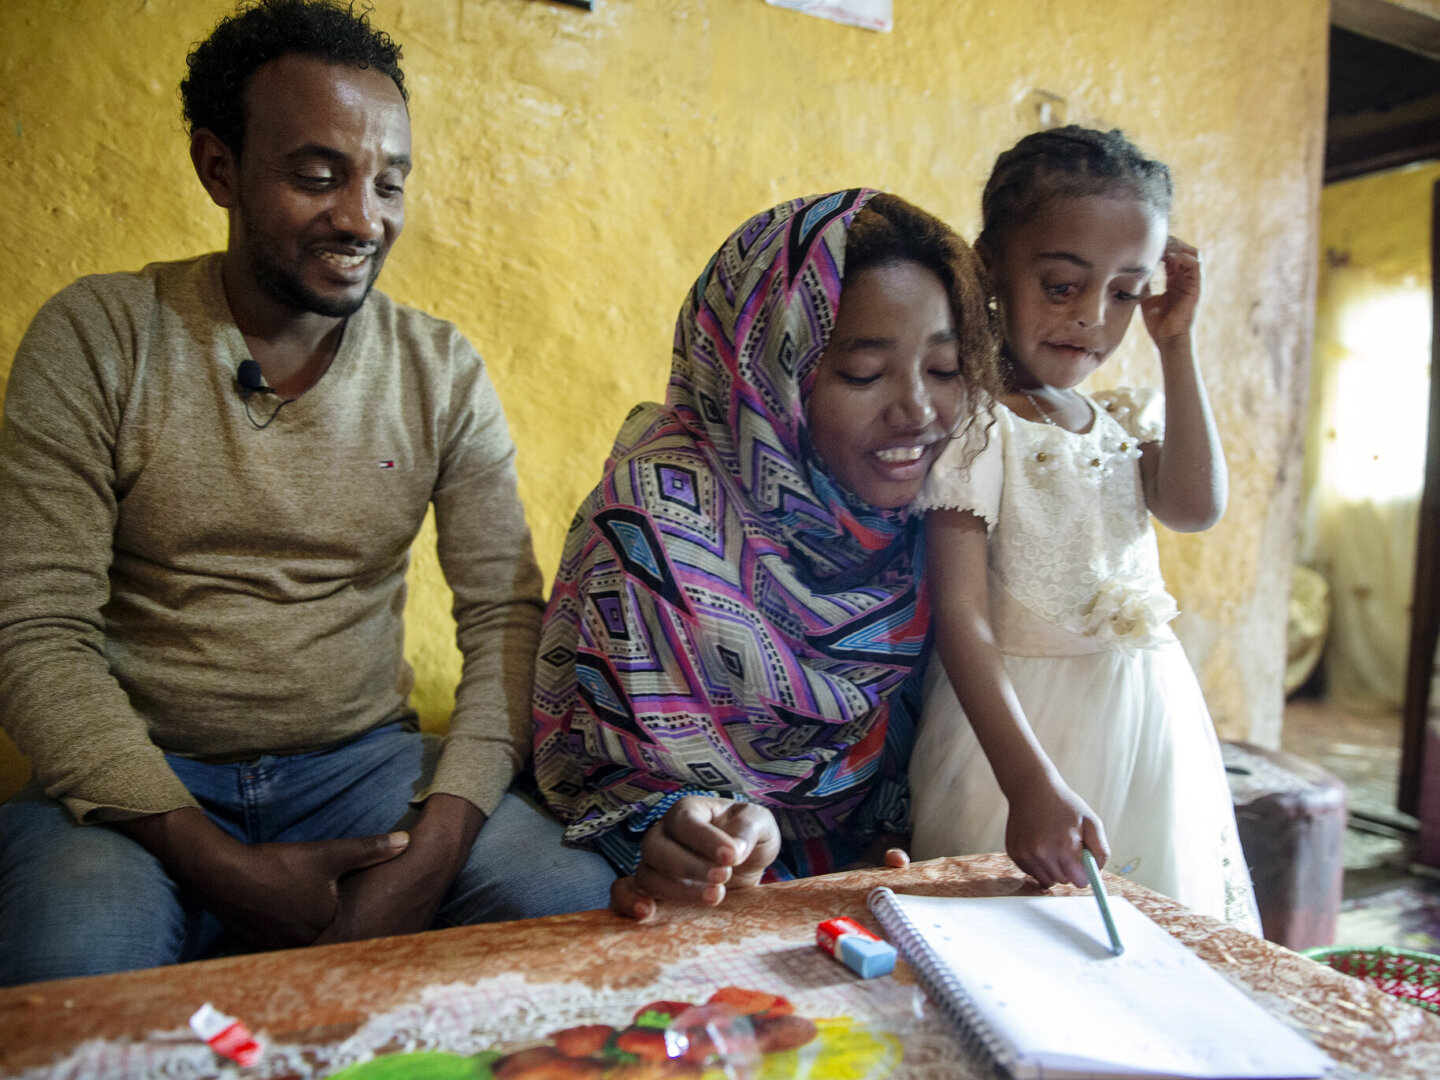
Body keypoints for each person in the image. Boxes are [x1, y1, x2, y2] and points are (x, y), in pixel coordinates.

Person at [0, 0, 613, 987]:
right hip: (141, 784)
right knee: (78, 962)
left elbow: (505, 618)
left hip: (363, 771)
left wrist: (432, 856)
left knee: (569, 902)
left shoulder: (439, 370)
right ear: (218, 167)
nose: (362, 218)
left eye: (388, 181)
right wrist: (218, 863)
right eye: (317, 175)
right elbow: (34, 627)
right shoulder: (102, 336)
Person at [533, 190, 1003, 919]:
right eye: (863, 374)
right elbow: (606, 772)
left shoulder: (941, 520)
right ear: (762, 380)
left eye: (943, 370)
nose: (917, 411)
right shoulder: (659, 520)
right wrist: (691, 831)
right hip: (690, 888)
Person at [908, 126, 1259, 927]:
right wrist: (1027, 784)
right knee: (1015, 942)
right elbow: (961, 619)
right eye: (1062, 286)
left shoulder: (1117, 418)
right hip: (1020, 734)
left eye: (1126, 294)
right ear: (992, 262)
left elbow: (1195, 507)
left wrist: (1177, 344)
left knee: (1152, 930)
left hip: (1149, 717)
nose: (1093, 320)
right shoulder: (978, 426)